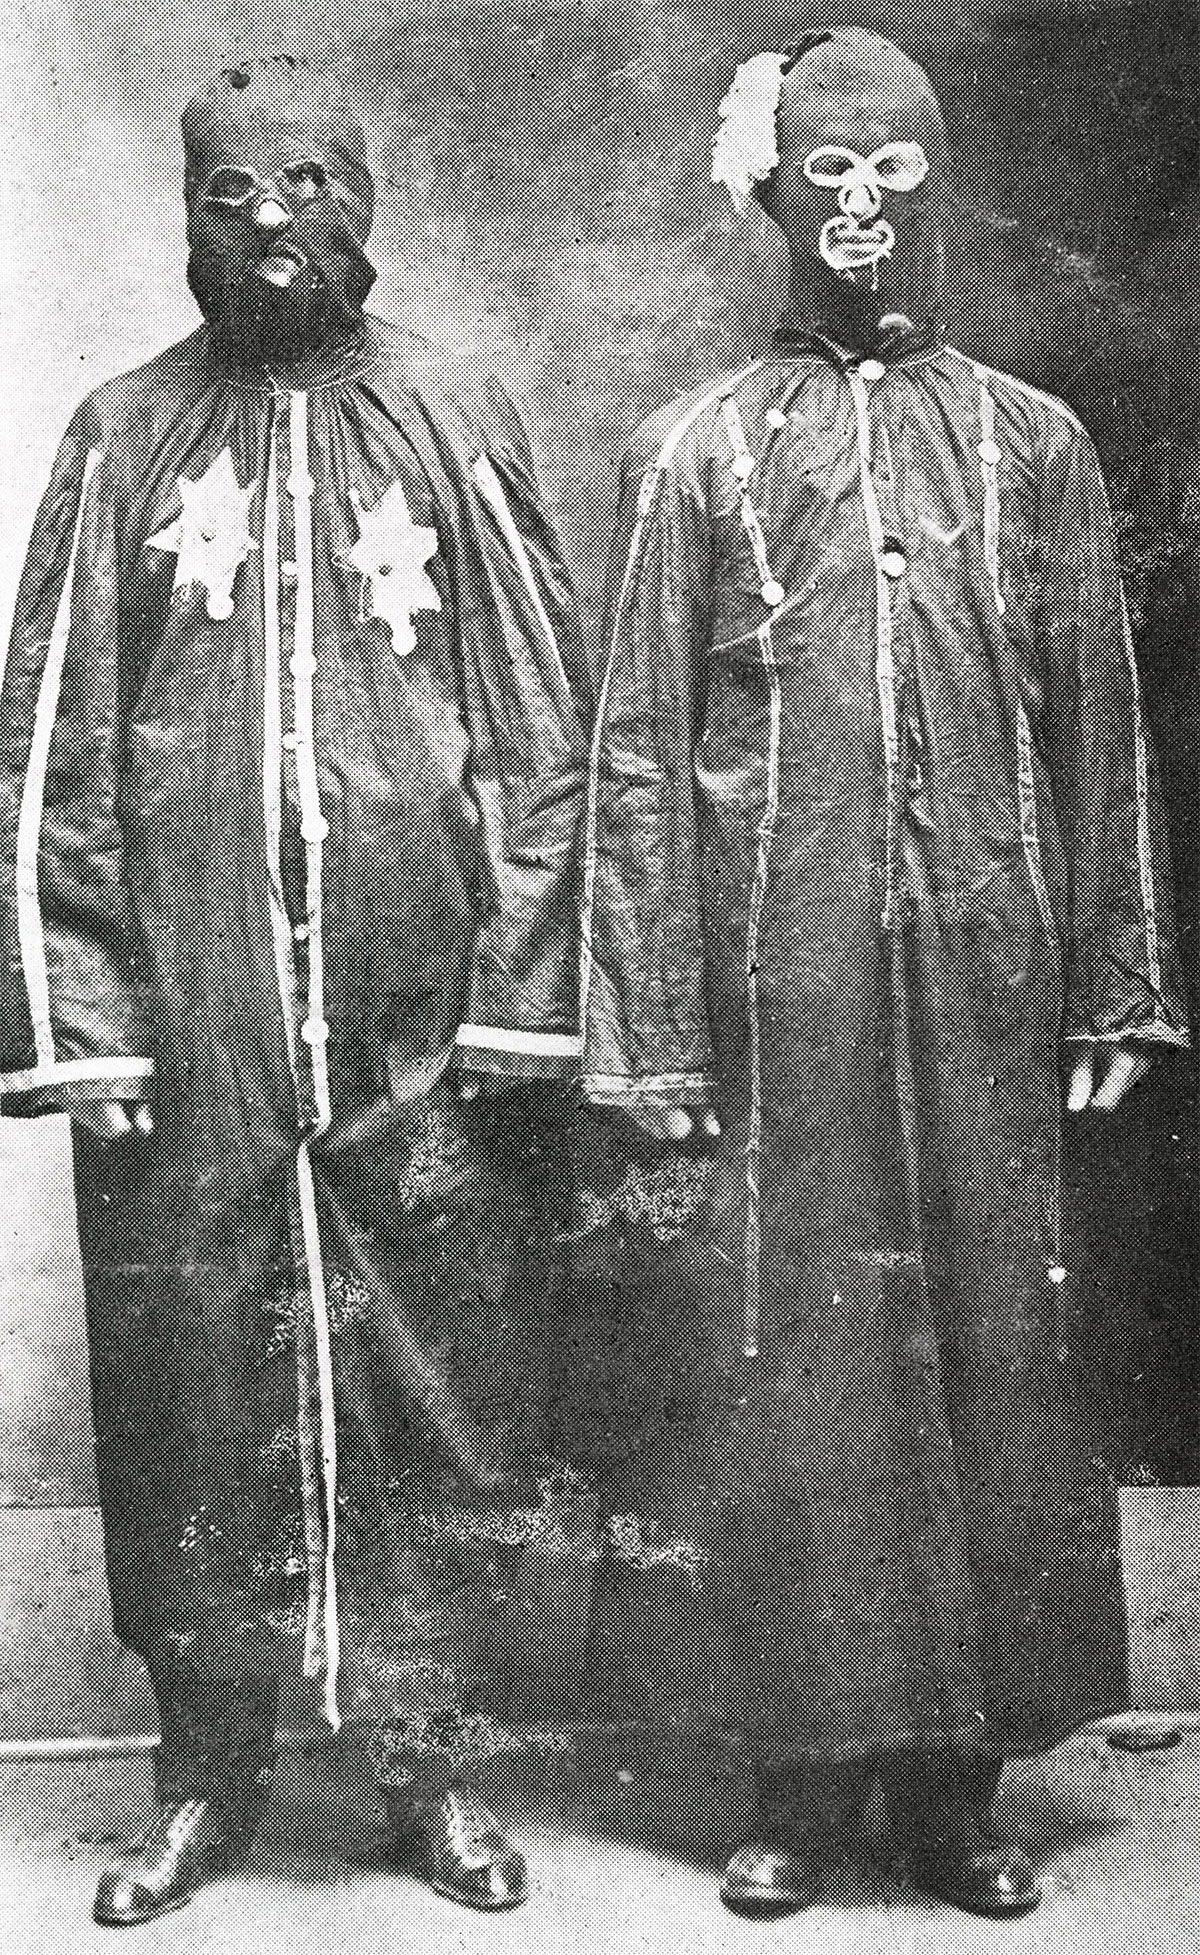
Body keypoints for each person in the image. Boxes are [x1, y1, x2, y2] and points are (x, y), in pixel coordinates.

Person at [579, 29, 1190, 1923]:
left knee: (991, 1357)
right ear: (766, 195)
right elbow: (629, 755)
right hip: (785, 1010)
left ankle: (956, 1787)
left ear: (937, 189)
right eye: (825, 175)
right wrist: (651, 1023)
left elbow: (1099, 726)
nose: (858, 208)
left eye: (896, 174)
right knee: (799, 1374)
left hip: (997, 1000)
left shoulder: (1037, 446)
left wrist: (1119, 982)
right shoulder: (691, 453)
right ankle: (800, 1773)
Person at [0, 55, 585, 1926]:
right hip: (198, 1037)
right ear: (187, 221)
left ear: (365, 203)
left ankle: (433, 1778)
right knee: (190, 1398)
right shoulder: (119, 438)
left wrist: (516, 992)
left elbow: (540, 732)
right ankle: (206, 1777)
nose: (272, 229)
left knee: (445, 1393)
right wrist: (81, 1023)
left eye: (307, 187)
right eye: (233, 196)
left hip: (420, 1037)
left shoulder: (450, 414)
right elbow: (47, 758)